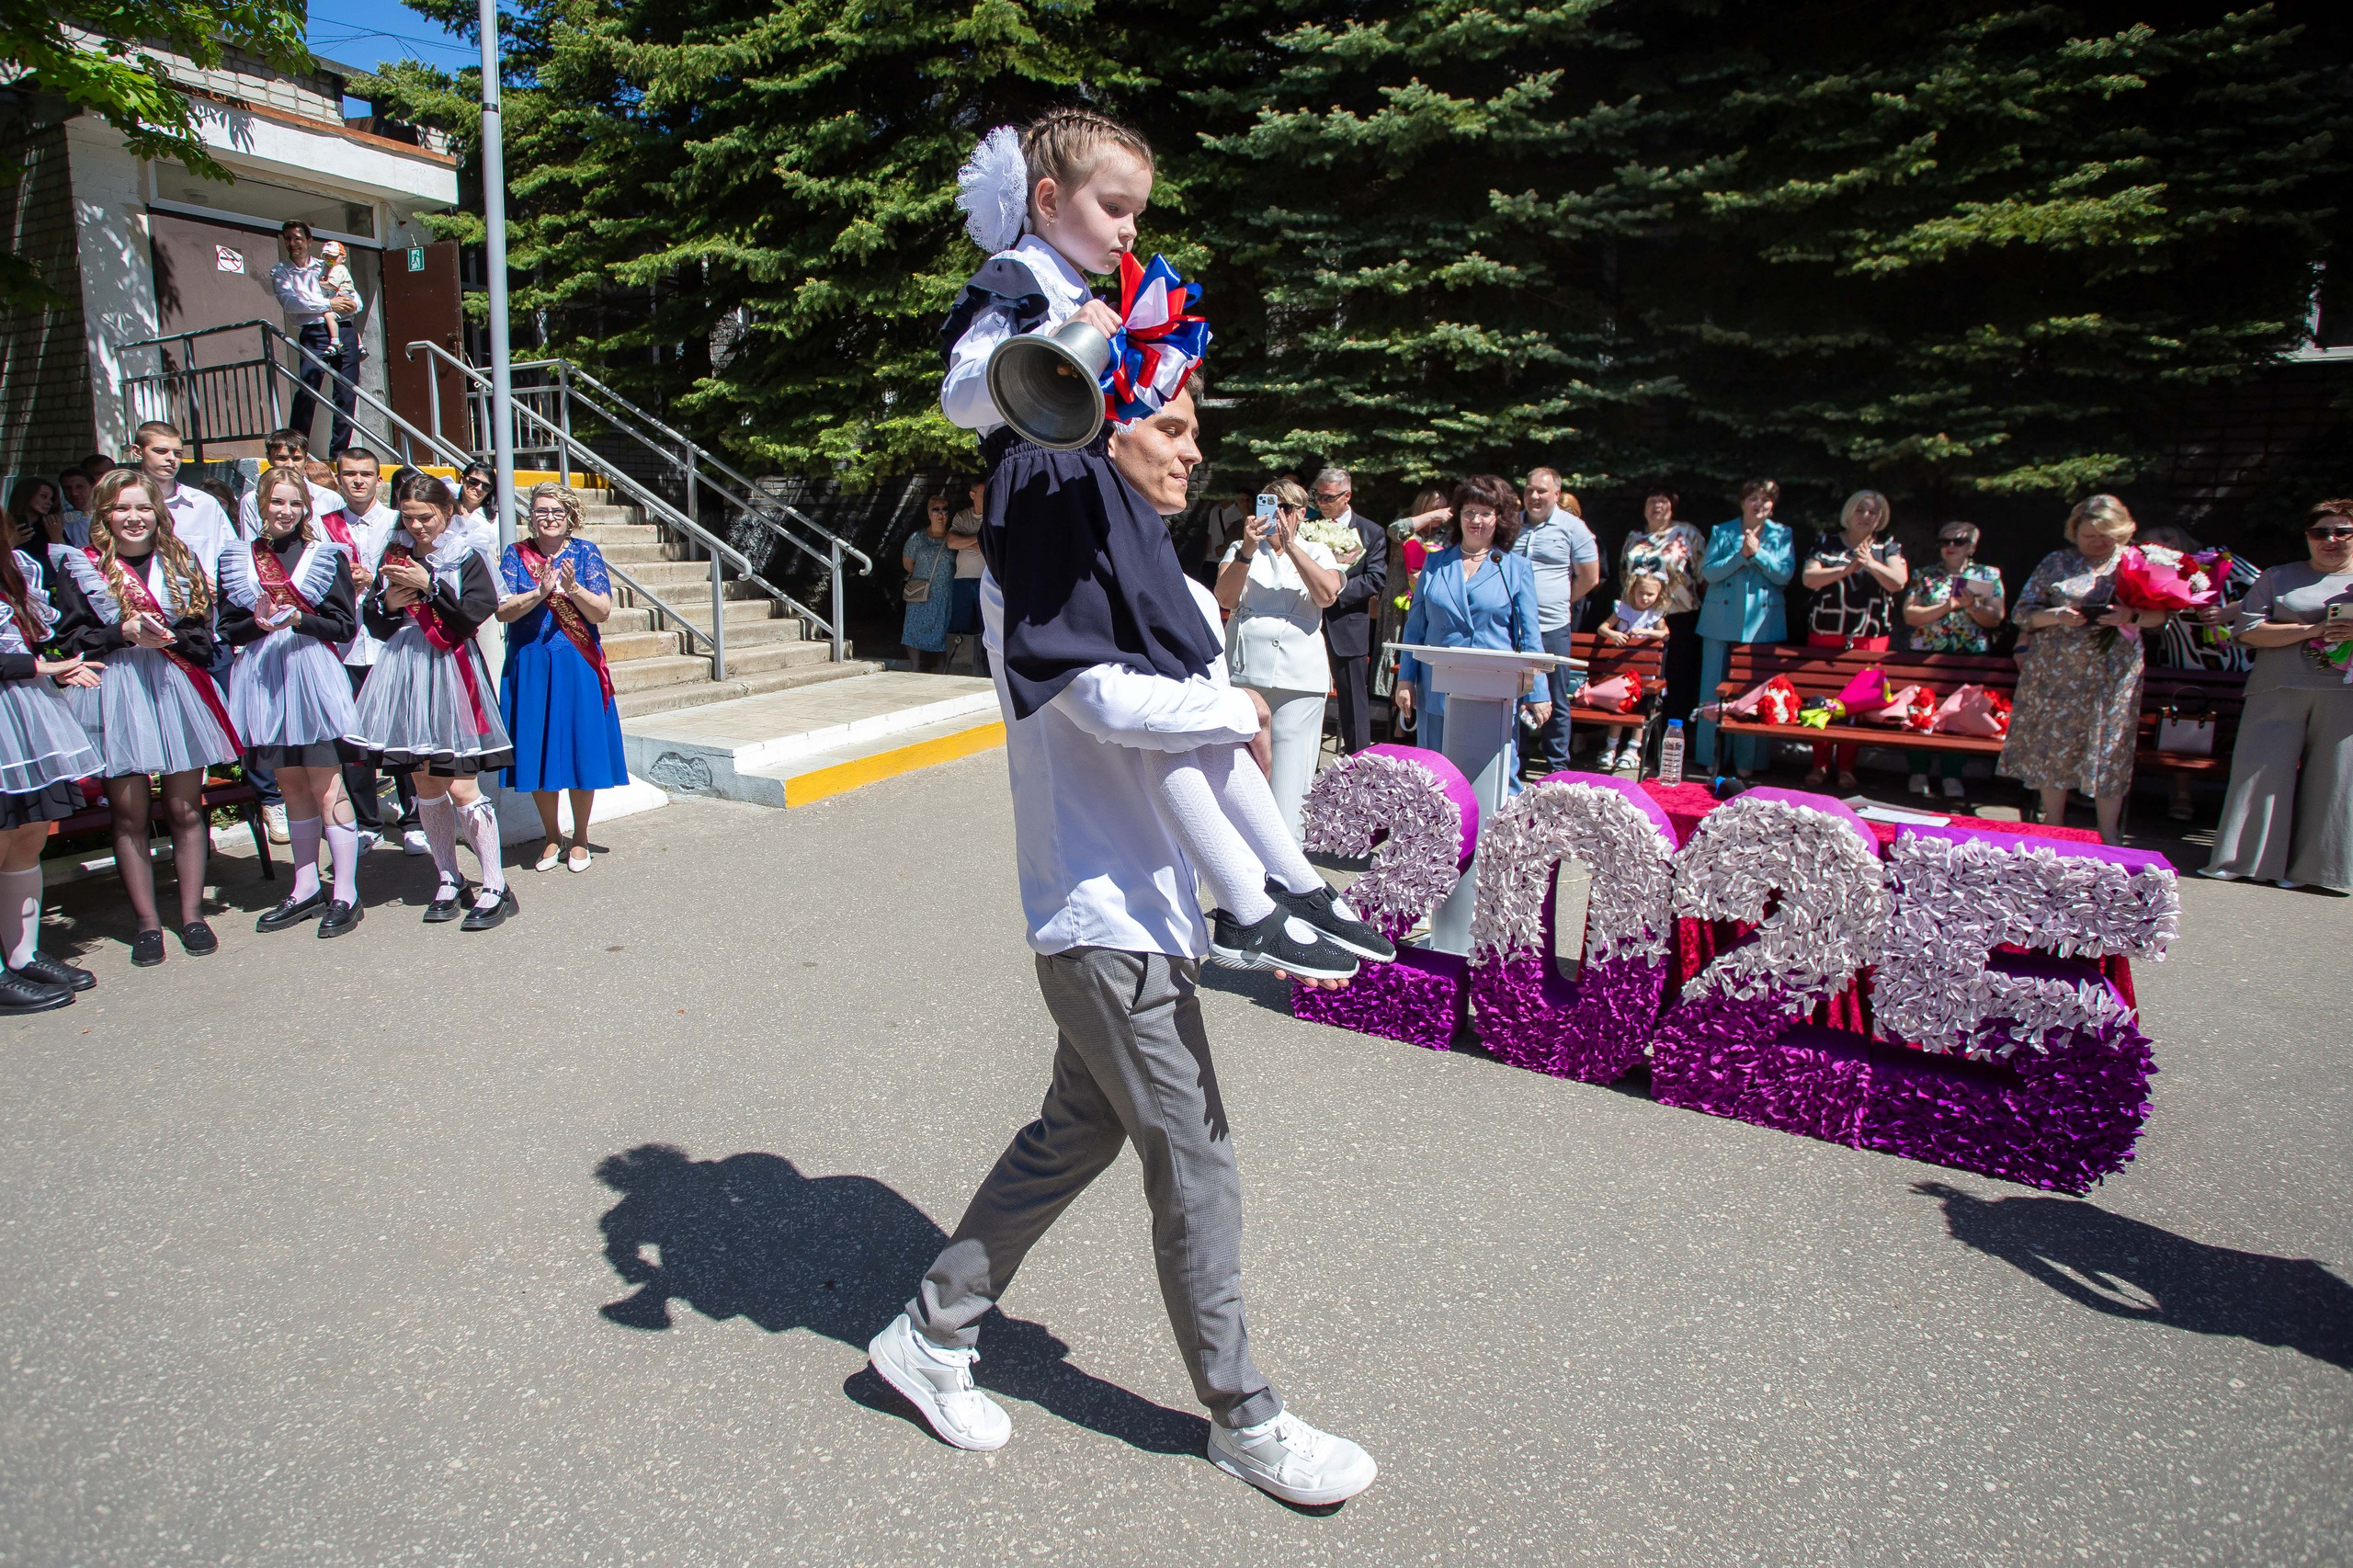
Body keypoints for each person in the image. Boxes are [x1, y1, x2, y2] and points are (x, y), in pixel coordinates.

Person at [885, 344, 1378, 1503]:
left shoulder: (1126, 551)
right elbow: (1092, 693)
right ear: (1102, 430)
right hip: (1098, 912)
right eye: (1171, 427)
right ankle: (1243, 1415)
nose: (1193, 448)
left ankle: (930, 1328)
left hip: (1141, 911)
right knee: (1195, 1157)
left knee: (1076, 1131)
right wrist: (1229, 700)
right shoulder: (1046, 547)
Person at [935, 110, 1374, 985]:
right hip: (1049, 496)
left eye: (1138, 211)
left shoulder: (1086, 290)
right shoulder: (1018, 280)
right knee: (1157, 701)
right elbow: (958, 397)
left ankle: (1287, 882)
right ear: (1050, 199)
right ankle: (1246, 905)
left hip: (1095, 497)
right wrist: (1060, 347)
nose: (1131, 228)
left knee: (1185, 675)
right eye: (1115, 206)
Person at [50, 470, 240, 966]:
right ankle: (148, 924)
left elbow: (203, 636)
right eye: (121, 508)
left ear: (158, 512)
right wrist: (123, 633)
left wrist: (171, 639)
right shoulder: (83, 567)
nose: (133, 518)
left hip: (175, 688)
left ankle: (192, 915)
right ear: (104, 515)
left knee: (184, 810)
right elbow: (71, 641)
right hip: (115, 692)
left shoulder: (181, 563)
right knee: (130, 814)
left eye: (142, 507)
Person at [347, 472, 518, 930]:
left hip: (452, 671)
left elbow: (469, 619)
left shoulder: (467, 554)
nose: (419, 526)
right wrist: (388, 603)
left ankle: (496, 885)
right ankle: (448, 877)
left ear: (446, 512)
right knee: (425, 783)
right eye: (409, 518)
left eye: (427, 517)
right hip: (405, 670)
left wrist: (430, 588)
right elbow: (379, 625)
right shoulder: (396, 553)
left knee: (462, 785)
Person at [220, 465, 364, 937]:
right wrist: (257, 625)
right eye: (277, 502)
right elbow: (227, 628)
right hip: (263, 681)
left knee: (327, 789)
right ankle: (304, 886)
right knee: (291, 788)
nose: (286, 511)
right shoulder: (238, 557)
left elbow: (344, 626)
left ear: (306, 506)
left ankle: (345, 891)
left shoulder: (325, 556)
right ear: (261, 504)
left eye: (295, 502)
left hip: (311, 676)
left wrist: (297, 621)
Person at [2202, 499, 2353, 890]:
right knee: (2259, 773)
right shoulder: (2278, 576)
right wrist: (2310, 631)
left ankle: (2321, 872)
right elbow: (2247, 632)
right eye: (2320, 532)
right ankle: (2242, 860)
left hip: (2345, 694)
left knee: (2337, 782)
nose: (2330, 539)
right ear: (2307, 537)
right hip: (2277, 687)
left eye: (2343, 532)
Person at [1998, 494, 2166, 845]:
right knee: (2054, 745)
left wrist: (2129, 616)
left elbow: (2161, 617)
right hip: (2056, 670)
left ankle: (2109, 836)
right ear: (2074, 533)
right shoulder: (2056, 562)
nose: (2097, 543)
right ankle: (2054, 827)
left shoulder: (2138, 561)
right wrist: (2056, 616)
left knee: (2110, 747)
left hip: (2113, 673)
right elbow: (2022, 613)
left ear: (2121, 529)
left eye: (2105, 535)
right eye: (2089, 536)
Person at [497, 482, 627, 874]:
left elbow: (601, 611)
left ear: (570, 516)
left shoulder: (586, 553)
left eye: (556, 511)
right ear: (531, 516)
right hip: (532, 663)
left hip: (576, 663)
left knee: (579, 747)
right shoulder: (516, 555)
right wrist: (540, 592)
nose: (549, 518)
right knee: (536, 749)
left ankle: (581, 835)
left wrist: (572, 589)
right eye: (541, 511)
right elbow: (502, 611)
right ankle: (552, 834)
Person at [0, 541, 104, 1008]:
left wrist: (60, 669)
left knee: (28, 837)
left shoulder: (14, 571)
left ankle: (22, 955)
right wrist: (43, 667)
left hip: (27, 720)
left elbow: (34, 642)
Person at [1215, 477, 1344, 838]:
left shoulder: (1318, 551)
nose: (1277, 515)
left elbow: (1327, 595)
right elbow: (1225, 598)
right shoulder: (1243, 549)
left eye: (1286, 508)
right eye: (1269, 506)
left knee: (1289, 784)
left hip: (1297, 680)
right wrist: (1247, 551)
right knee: (1236, 777)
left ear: (1301, 513)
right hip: (1243, 674)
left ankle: (1288, 877)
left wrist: (1292, 547)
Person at [1394, 474, 1551, 771]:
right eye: (1469, 512)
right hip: (1438, 691)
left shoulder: (1515, 569)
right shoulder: (1436, 563)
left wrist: (1538, 692)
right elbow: (1415, 627)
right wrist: (1405, 680)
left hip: (1492, 694)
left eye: (1485, 513)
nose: (1475, 519)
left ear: (1499, 518)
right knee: (1435, 778)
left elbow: (1530, 637)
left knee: (1491, 778)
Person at [329, 448, 423, 855]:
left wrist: (375, 583)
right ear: (338, 479)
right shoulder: (322, 527)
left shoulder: (398, 525)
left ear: (379, 480)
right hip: (345, 646)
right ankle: (366, 821)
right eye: (350, 474)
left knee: (403, 734)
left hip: (391, 641)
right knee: (354, 741)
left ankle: (414, 819)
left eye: (366, 474)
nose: (358, 481)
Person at [1799, 489, 1908, 790]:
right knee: (1821, 698)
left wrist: (1870, 562)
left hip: (1869, 638)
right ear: (1849, 512)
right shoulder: (1827, 542)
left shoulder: (1889, 546)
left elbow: (1898, 582)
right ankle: (1819, 764)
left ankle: (1846, 767)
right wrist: (1847, 568)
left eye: (1874, 512)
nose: (1867, 516)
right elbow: (1810, 578)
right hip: (1827, 634)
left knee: (1857, 703)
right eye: (1862, 510)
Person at [1694, 479, 1796, 778]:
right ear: (1742, 502)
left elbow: (1785, 575)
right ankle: (1709, 756)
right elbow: (1709, 572)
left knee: (1754, 692)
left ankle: (1747, 761)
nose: (1758, 504)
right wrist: (1741, 555)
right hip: (1718, 623)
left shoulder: (1782, 533)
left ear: (1773, 504)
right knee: (1712, 689)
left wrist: (1759, 554)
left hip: (1762, 626)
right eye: (1752, 498)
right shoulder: (1723, 531)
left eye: (1765, 500)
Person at [1900, 520, 2006, 799]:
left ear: (1971, 546)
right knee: (1922, 710)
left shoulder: (1987, 575)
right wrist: (1946, 606)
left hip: (1969, 656)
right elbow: (1910, 615)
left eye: (1958, 542)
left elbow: (1995, 619)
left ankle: (1952, 774)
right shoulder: (1925, 575)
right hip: (1927, 653)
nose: (1950, 547)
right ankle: (1918, 771)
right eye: (1944, 541)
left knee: (1963, 716)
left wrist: (1972, 606)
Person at [1512, 467, 1599, 775]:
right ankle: (1515, 764)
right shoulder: (1512, 524)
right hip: (1514, 628)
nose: (1534, 496)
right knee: (1515, 695)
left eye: (1542, 491)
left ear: (1556, 494)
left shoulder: (1573, 528)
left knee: (1556, 698)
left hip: (1552, 627)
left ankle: (1557, 768)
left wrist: (1561, 600)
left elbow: (1590, 576)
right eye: (1529, 490)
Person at [1307, 467, 1388, 756]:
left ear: (1347, 496)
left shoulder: (1370, 531)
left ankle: (1358, 763)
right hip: (1307, 621)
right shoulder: (1305, 525)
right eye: (1318, 497)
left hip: (1346, 621)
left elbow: (1376, 578)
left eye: (1329, 498)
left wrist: (1333, 590)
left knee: (1353, 700)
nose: (1322, 504)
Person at [267, 220, 361, 457]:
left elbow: (355, 302)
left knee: (346, 392)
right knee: (307, 390)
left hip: (344, 329)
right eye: (288, 238)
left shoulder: (329, 265)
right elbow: (290, 303)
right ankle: (293, 451)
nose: (292, 243)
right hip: (313, 333)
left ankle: (339, 453)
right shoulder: (281, 271)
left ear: (309, 241)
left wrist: (341, 305)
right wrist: (328, 303)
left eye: (298, 238)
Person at [1618, 486, 1707, 723]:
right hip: (1640, 617)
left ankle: (1673, 731)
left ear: (1672, 507)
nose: (1657, 506)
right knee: (1640, 674)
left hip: (1678, 616)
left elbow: (1702, 575)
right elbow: (1623, 576)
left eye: (1663, 502)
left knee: (1677, 676)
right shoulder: (1634, 537)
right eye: (1652, 501)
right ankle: (1635, 733)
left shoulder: (1686, 533)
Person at [236, 429, 345, 541]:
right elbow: (250, 545)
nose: (290, 465)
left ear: (306, 459)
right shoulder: (252, 500)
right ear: (269, 458)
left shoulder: (331, 499)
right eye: (281, 458)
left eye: (297, 458)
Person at [899, 493, 956, 671]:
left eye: (944, 510)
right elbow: (908, 564)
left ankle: (941, 670)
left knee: (942, 632)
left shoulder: (953, 538)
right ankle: (914, 667)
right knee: (913, 628)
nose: (941, 514)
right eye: (936, 510)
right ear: (929, 513)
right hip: (921, 592)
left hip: (944, 593)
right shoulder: (917, 538)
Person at [946, 478, 988, 676]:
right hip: (962, 579)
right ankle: (958, 668)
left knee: (986, 625)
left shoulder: (995, 516)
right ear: (973, 496)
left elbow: (992, 545)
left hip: (988, 581)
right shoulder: (962, 517)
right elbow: (952, 542)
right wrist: (979, 539)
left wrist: (967, 541)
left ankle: (988, 669)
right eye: (983, 492)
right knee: (960, 626)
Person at [449, 461, 502, 562]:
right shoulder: (447, 512)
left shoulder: (496, 521)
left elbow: (501, 559)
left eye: (486, 486)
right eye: (474, 481)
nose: (479, 488)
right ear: (462, 479)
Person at [57, 468, 94, 546]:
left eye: (80, 487)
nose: (74, 493)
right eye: (67, 488)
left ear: (93, 487)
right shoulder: (59, 518)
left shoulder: (108, 515)